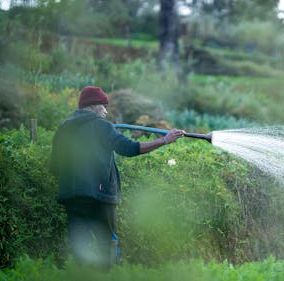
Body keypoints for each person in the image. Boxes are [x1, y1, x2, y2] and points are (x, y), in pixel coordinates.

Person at [50, 86, 185, 270]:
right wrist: (164, 140)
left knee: (78, 248)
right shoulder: (102, 126)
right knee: (107, 246)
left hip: (72, 198)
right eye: (103, 106)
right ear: (92, 106)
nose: (106, 110)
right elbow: (131, 148)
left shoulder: (64, 129)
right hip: (100, 198)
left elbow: (55, 167)